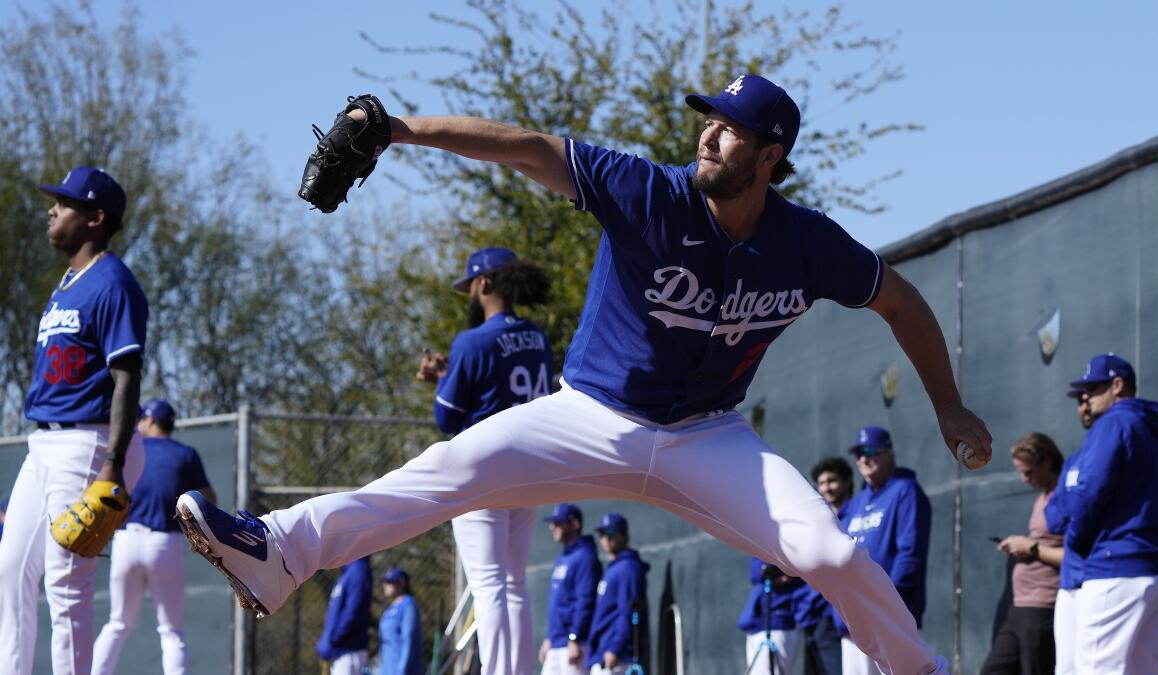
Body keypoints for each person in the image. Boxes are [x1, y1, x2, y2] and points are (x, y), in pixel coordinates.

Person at [177, 73, 994, 675]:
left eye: (732, 127)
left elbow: (902, 302)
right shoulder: (649, 193)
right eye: (708, 119)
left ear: (771, 153)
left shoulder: (808, 242)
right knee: (447, 470)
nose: (709, 133)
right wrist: (398, 129)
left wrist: (949, 405)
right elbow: (534, 149)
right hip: (592, 414)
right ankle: (278, 551)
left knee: (833, 554)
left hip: (709, 436)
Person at [0, 167, 148, 675]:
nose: (51, 210)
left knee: (66, 585)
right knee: (12, 570)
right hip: (43, 443)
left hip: (89, 441)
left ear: (94, 218)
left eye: (63, 204)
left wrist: (113, 464)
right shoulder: (66, 285)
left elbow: (127, 377)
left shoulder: (113, 283)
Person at [416, 246, 554, 675]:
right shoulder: (537, 337)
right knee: (513, 583)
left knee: (488, 583)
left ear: (485, 284)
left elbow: (446, 417)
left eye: (471, 287)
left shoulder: (472, 341)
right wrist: (449, 372)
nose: (470, 296)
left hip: (485, 471)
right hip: (530, 469)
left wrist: (442, 375)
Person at [1061, 354, 1158, 673]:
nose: (1085, 397)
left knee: (1095, 670)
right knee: (1142, 669)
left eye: (1094, 388)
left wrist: (1076, 542)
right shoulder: (1150, 429)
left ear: (1118, 386)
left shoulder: (1114, 421)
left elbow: (1090, 492)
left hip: (1118, 565)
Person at [92, 399, 216, 675]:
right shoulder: (185, 455)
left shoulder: (130, 452)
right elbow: (209, 500)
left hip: (126, 540)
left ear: (149, 421)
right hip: (164, 542)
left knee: (117, 623)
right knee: (171, 631)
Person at [838, 426, 932, 675]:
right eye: (858, 453)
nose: (863, 458)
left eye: (870, 450)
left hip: (890, 615)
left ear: (888, 452)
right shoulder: (855, 503)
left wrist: (885, 600)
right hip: (854, 618)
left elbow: (909, 553)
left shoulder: (905, 490)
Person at [979, 433, 1064, 675]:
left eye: (1029, 472)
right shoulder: (1043, 498)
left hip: (1041, 608)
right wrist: (1019, 548)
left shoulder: (1067, 497)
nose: (1024, 479)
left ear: (1047, 461)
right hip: (1018, 608)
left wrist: (1031, 548)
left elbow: (1074, 555)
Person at [1042, 387, 1089, 675]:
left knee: (1096, 666)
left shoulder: (1123, 436)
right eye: (1080, 398)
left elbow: (1088, 506)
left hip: (1098, 574)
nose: (1084, 404)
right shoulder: (1075, 459)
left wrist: (1075, 503)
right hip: (1070, 579)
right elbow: (1055, 517)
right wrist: (1077, 503)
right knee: (1066, 668)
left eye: (1091, 393)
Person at [795, 457, 855, 675]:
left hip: (837, 617)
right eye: (821, 483)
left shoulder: (856, 514)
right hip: (812, 618)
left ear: (847, 481)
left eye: (832, 481)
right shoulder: (820, 520)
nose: (826, 488)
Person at [540, 504, 601, 675]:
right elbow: (559, 604)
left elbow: (585, 600)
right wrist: (549, 638)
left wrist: (574, 637)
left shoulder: (585, 557)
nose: (552, 527)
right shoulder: (562, 557)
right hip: (556, 642)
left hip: (574, 643)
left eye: (558, 523)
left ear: (574, 524)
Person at [588, 513, 649, 675]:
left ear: (623, 534)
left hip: (617, 658)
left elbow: (627, 613)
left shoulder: (628, 568)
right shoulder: (614, 568)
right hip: (603, 655)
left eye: (610, 533)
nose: (605, 539)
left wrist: (615, 648)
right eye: (602, 534)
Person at [738, 557, 802, 675]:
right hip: (757, 625)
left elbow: (796, 573)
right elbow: (757, 572)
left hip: (781, 625)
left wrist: (783, 573)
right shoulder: (761, 547)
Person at [316, 557, 373, 675]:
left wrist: (333, 639)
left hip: (348, 650)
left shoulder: (359, 570)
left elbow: (353, 611)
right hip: (338, 651)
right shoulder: (347, 572)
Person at [378, 567, 422, 675]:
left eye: (389, 582)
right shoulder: (390, 608)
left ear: (402, 583)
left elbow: (409, 638)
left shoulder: (408, 605)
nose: (385, 585)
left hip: (401, 669)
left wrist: (402, 669)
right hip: (387, 667)